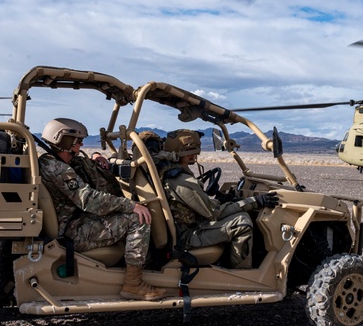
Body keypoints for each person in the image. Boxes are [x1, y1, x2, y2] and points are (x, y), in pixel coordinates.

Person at [38, 118, 166, 301]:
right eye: (78, 141)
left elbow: (79, 164)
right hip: (72, 230)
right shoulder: (57, 169)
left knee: (125, 212)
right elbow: (89, 200)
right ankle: (133, 283)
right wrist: (131, 205)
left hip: (74, 222)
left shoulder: (51, 161)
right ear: (65, 141)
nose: (81, 144)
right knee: (138, 219)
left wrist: (95, 156)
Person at [159, 129, 279, 269]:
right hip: (187, 236)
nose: (197, 153)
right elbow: (214, 213)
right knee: (242, 222)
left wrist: (225, 201)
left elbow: (203, 205)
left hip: (189, 227)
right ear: (186, 152)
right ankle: (242, 275)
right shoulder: (181, 179)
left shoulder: (175, 173)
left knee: (237, 214)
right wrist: (255, 202)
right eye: (194, 149)